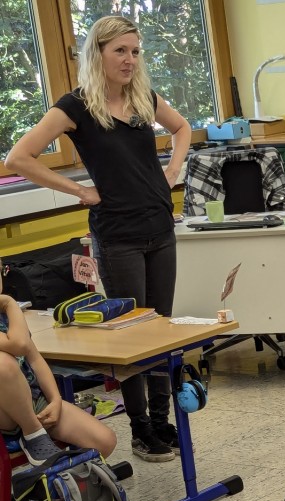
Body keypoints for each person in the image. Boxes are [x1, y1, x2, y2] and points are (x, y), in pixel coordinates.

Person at [4, 16, 192, 462]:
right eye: (120, 51)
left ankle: (163, 421)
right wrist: (79, 191)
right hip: (117, 234)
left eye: (135, 51)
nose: (129, 60)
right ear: (99, 54)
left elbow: (182, 128)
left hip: (159, 227)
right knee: (131, 334)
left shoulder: (143, 98)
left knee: (161, 328)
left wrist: (172, 170)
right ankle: (141, 427)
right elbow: (18, 157)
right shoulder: (77, 106)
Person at [0, 261, 116, 466]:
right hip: (5, 414)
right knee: (4, 365)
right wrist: (10, 304)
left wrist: (55, 400)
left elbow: (34, 358)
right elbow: (17, 344)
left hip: (34, 400)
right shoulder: (8, 307)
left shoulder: (6, 316)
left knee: (104, 442)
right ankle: (33, 433)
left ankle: (52, 486)